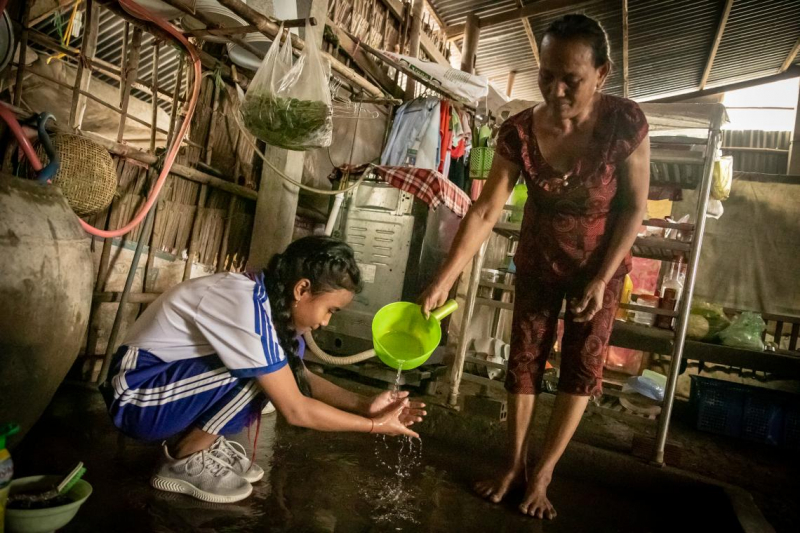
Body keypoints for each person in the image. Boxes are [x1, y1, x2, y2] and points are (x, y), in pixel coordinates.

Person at [420, 14, 650, 520]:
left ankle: (543, 473)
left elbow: (634, 207)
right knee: (523, 361)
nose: (557, 89)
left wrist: (602, 276)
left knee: (581, 366)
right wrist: (445, 277)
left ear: (602, 74)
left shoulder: (625, 123)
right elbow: (485, 210)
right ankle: (513, 464)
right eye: (547, 75)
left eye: (573, 79)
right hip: (538, 262)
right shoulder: (519, 131)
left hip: (600, 267)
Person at [101, 236, 425, 504]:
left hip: (162, 386)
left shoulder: (263, 302)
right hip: (136, 396)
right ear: (302, 289)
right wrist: (373, 426)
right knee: (261, 373)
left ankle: (201, 442)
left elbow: (301, 379)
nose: (326, 322)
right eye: (330, 310)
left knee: (273, 368)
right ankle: (185, 456)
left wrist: (363, 404)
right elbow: (296, 409)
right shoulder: (245, 306)